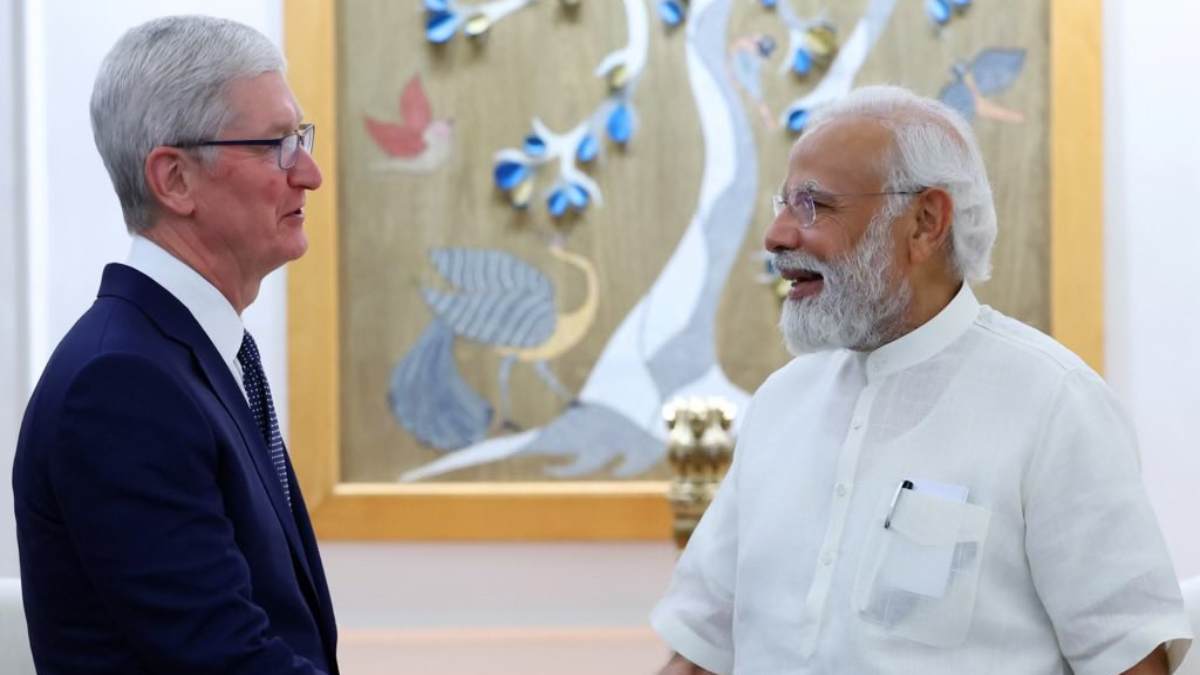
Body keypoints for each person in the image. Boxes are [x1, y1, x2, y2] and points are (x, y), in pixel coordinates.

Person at [651, 85, 1192, 675]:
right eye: (783, 205)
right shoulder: (782, 403)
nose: (778, 236)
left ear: (926, 222)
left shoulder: (1053, 404)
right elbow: (703, 649)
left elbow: (1128, 661)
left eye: (813, 206)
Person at [12, 15, 338, 674]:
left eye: (298, 137)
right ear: (175, 179)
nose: (309, 173)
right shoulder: (120, 386)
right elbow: (224, 657)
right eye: (276, 143)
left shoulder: (189, 358)